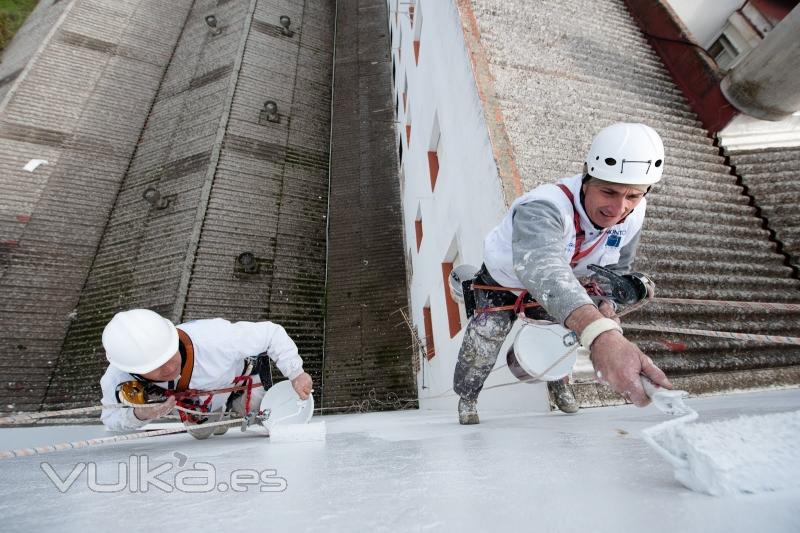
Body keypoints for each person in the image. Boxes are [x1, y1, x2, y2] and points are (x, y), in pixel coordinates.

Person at [453, 122, 673, 424]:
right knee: (484, 340)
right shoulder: (544, 207)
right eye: (608, 191)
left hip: (564, 286)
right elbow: (540, 266)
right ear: (586, 179)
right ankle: (468, 396)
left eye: (632, 196)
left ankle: (558, 386)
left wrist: (609, 304)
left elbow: (617, 268)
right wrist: (599, 332)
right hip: (502, 283)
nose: (618, 208)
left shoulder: (634, 213)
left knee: (558, 341)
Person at [100, 309, 313, 438]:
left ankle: (234, 413)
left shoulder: (215, 338)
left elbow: (271, 333)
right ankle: (220, 421)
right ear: (133, 371)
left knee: (267, 420)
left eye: (169, 354)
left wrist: (296, 372)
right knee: (202, 434)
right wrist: (142, 414)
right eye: (154, 367)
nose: (168, 368)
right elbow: (110, 418)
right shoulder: (118, 377)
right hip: (198, 407)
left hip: (240, 384)